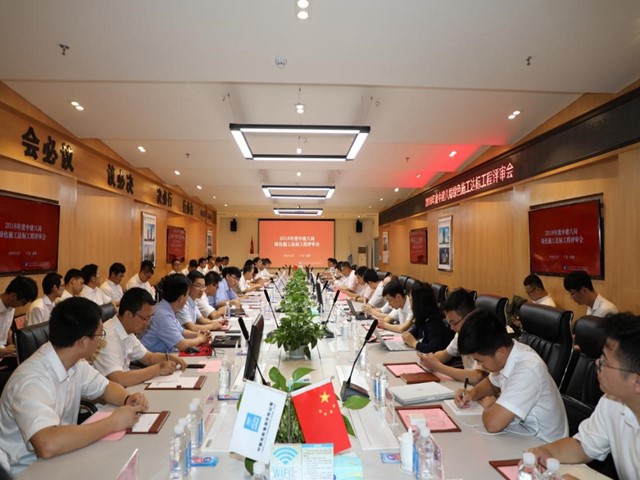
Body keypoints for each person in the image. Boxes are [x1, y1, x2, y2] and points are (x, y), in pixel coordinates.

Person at [0, 297, 148, 473]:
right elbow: (47, 444)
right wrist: (113, 422)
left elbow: (106, 387)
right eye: (100, 335)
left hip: (63, 455)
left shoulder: (75, 362)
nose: (101, 341)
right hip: (27, 470)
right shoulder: (31, 379)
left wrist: (128, 399)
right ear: (83, 341)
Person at [528, 313, 640, 480]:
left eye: (604, 361)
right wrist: (546, 452)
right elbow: (583, 446)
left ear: (637, 381)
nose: (597, 363)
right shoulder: (612, 400)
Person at [454, 309, 568, 442]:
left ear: (499, 352)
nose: (479, 365)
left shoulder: (527, 369)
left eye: (480, 360)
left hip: (543, 445)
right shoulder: (509, 353)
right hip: (521, 434)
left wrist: (491, 405)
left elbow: (492, 424)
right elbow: (492, 384)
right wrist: (472, 394)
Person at [93, 288, 187, 386]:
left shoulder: (127, 330)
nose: (147, 323)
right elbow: (119, 379)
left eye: (149, 318)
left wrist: (169, 357)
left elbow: (148, 357)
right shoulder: (107, 336)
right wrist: (158, 369)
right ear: (128, 315)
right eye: (145, 318)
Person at [418, 288, 488, 385]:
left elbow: (476, 377)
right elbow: (445, 354)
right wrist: (429, 359)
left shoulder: (484, 335)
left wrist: (438, 367)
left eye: (454, 323)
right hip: (466, 385)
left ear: (469, 316)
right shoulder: (462, 332)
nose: (451, 328)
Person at [140, 274, 210, 352]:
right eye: (187, 294)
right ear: (180, 298)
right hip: (153, 358)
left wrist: (198, 334)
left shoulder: (166, 308)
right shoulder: (163, 315)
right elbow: (182, 345)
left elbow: (181, 331)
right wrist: (201, 339)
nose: (188, 298)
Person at [398, 281, 453, 353]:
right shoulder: (423, 317)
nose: (410, 306)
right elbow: (415, 332)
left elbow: (434, 348)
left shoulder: (434, 322)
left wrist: (415, 344)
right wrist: (407, 335)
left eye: (411, 300)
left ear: (418, 303)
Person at [0, 276, 37, 359]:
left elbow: (7, 330)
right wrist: (3, 351)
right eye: (23, 302)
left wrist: (16, 346)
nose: (23, 306)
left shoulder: (11, 308)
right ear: (13, 295)